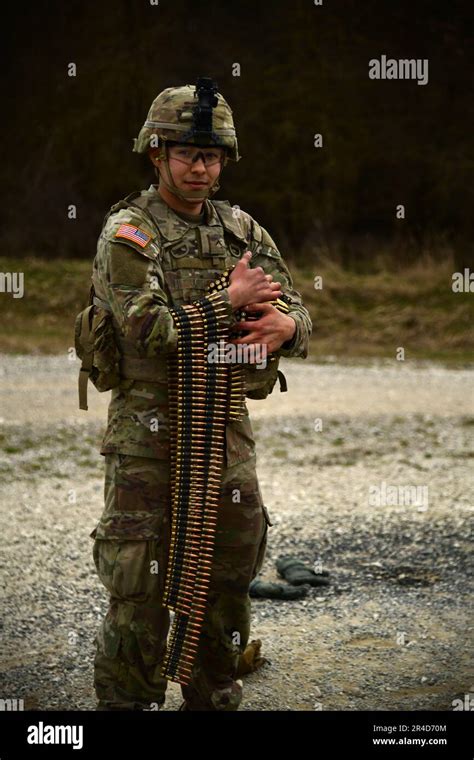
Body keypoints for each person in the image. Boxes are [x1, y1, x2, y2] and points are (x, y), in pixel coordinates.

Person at [88, 76, 312, 711]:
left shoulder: (242, 230)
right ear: (156, 153)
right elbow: (147, 329)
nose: (201, 167)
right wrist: (230, 303)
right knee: (140, 577)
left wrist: (286, 326)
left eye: (212, 155)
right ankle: (128, 701)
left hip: (224, 422)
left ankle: (214, 694)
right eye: (187, 154)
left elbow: (296, 306)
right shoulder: (129, 234)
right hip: (148, 426)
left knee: (229, 568)